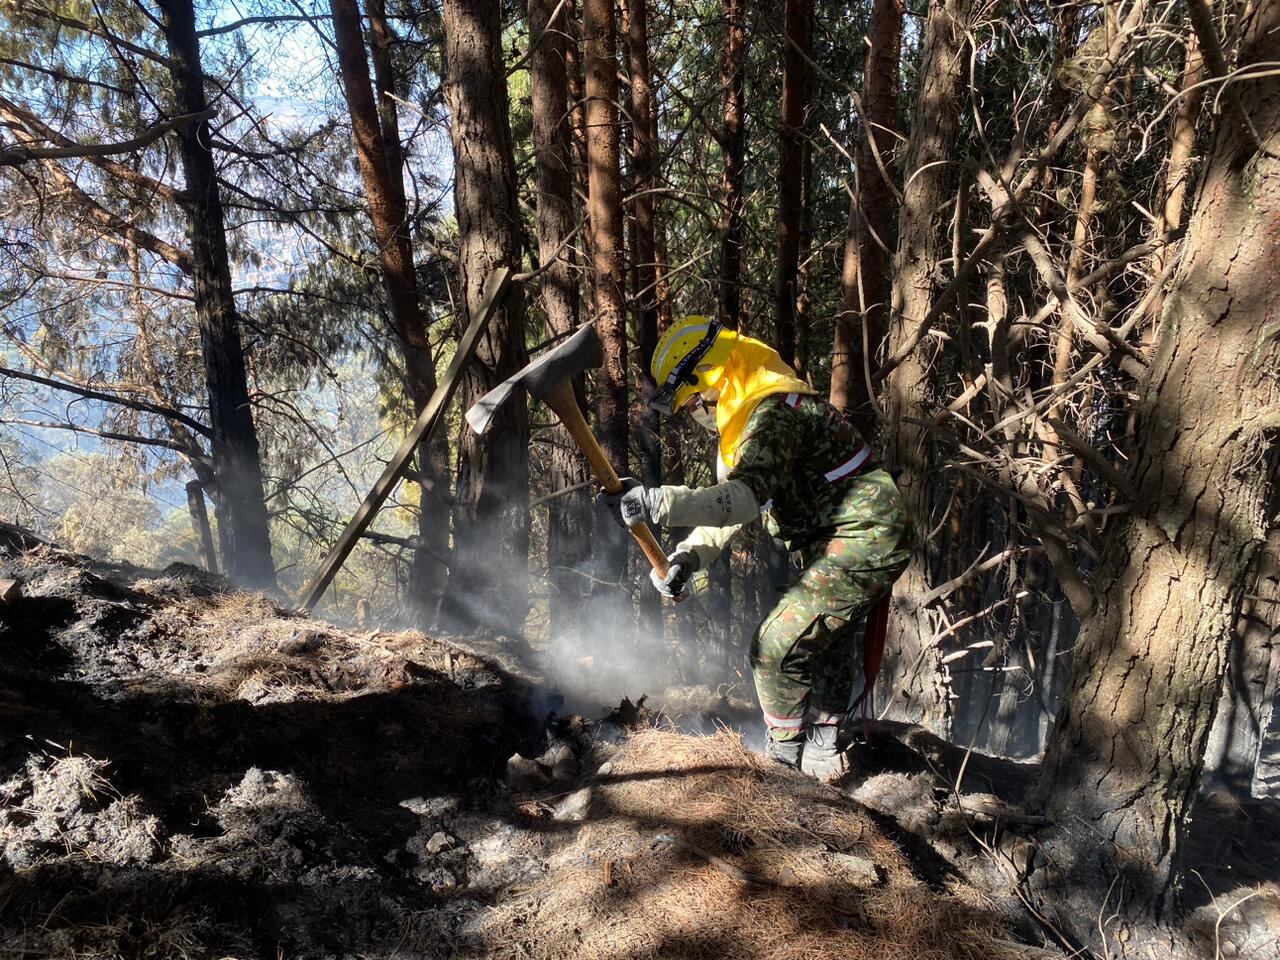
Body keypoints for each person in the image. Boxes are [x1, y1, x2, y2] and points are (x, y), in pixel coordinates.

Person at [600, 316, 912, 779]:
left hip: (865, 533)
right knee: (821, 641)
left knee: (775, 646)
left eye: (692, 403)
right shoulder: (744, 426)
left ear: (712, 377)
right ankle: (826, 748)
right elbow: (729, 509)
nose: (694, 414)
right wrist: (688, 557)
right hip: (839, 542)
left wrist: (656, 502)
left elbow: (741, 501)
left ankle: (783, 771)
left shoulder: (773, 413)